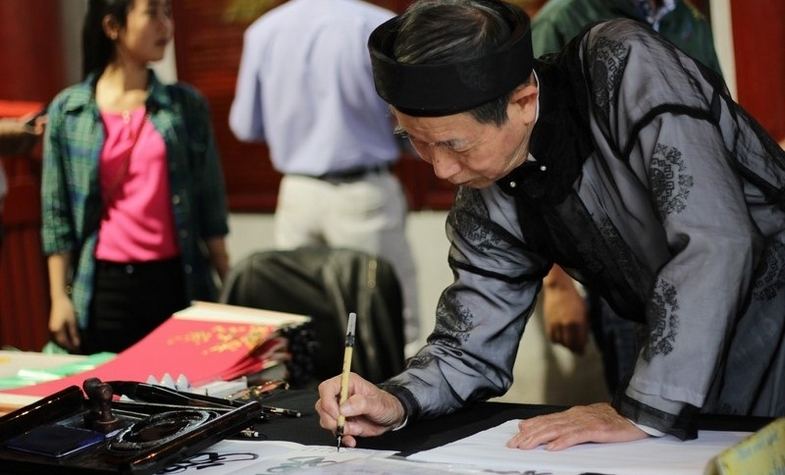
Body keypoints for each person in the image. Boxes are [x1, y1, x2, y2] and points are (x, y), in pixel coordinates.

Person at [316, 0, 785, 451]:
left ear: (523, 101)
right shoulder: (485, 191)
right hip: (685, 354)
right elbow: (469, 345)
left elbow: (718, 240)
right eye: (415, 142)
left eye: (455, 144)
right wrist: (395, 401)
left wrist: (640, 410)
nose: (441, 170)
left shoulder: (623, 64)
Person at [532, 0, 724, 392]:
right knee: (644, 408)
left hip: (699, 253)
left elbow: (718, 128)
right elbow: (534, 158)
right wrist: (557, 285)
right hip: (621, 257)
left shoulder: (689, 21)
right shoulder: (563, 19)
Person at [228, 0, 420, 351]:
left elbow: (245, 126)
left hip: (298, 192)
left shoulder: (265, 31)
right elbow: (414, 117)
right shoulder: (377, 25)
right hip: (365, 193)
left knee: (299, 324)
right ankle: (398, 402)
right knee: (389, 320)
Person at [42, 0, 230, 354]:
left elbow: (211, 202)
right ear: (113, 27)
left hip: (177, 280)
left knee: (185, 394)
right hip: (106, 288)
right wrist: (58, 297)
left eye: (169, 13)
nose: (165, 25)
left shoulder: (185, 106)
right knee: (112, 401)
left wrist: (227, 283)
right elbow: (57, 215)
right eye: (152, 13)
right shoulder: (70, 110)